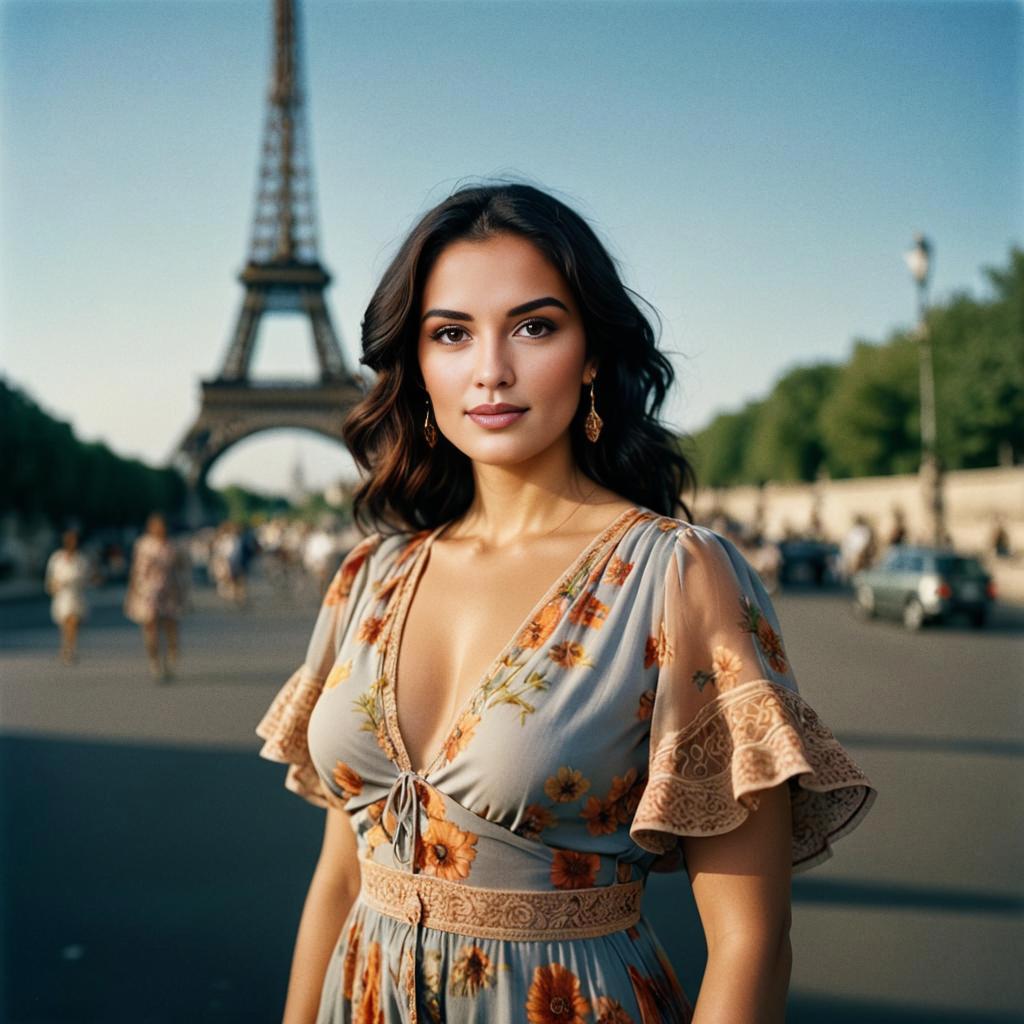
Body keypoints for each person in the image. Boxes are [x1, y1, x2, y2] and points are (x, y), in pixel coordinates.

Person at [255, 183, 876, 1024]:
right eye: (451, 334)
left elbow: (751, 941)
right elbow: (340, 877)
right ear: (419, 362)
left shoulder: (676, 576)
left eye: (534, 327)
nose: (491, 370)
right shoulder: (368, 576)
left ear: (590, 355)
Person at [124, 512, 190, 680]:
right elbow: (136, 569)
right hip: (147, 590)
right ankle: (154, 661)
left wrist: (183, 592)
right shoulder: (143, 544)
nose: (159, 529)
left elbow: (181, 568)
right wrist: (132, 591)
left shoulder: (173, 546)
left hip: (169, 590)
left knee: (169, 626)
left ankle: (170, 657)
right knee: (151, 625)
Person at [44, 527, 93, 664]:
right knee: (65, 623)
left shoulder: (81, 559)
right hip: (62, 596)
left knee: (73, 621)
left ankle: (69, 648)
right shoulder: (56, 558)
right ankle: (66, 647)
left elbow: (88, 577)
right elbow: (50, 577)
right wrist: (53, 586)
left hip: (76, 595)